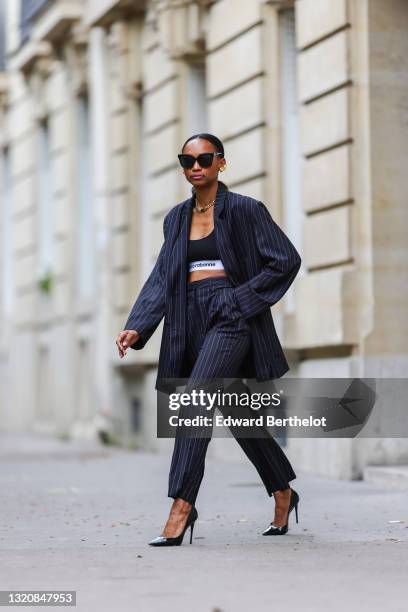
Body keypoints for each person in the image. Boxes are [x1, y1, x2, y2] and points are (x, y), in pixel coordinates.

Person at [116, 133, 301, 546]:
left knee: (194, 400)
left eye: (203, 158)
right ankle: (283, 490)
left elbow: (285, 260)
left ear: (221, 163)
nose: (195, 166)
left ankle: (182, 506)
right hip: (188, 318)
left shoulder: (246, 211)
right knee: (238, 416)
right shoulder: (176, 219)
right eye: (187, 159)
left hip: (231, 316)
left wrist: (240, 300)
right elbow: (163, 276)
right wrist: (139, 324)